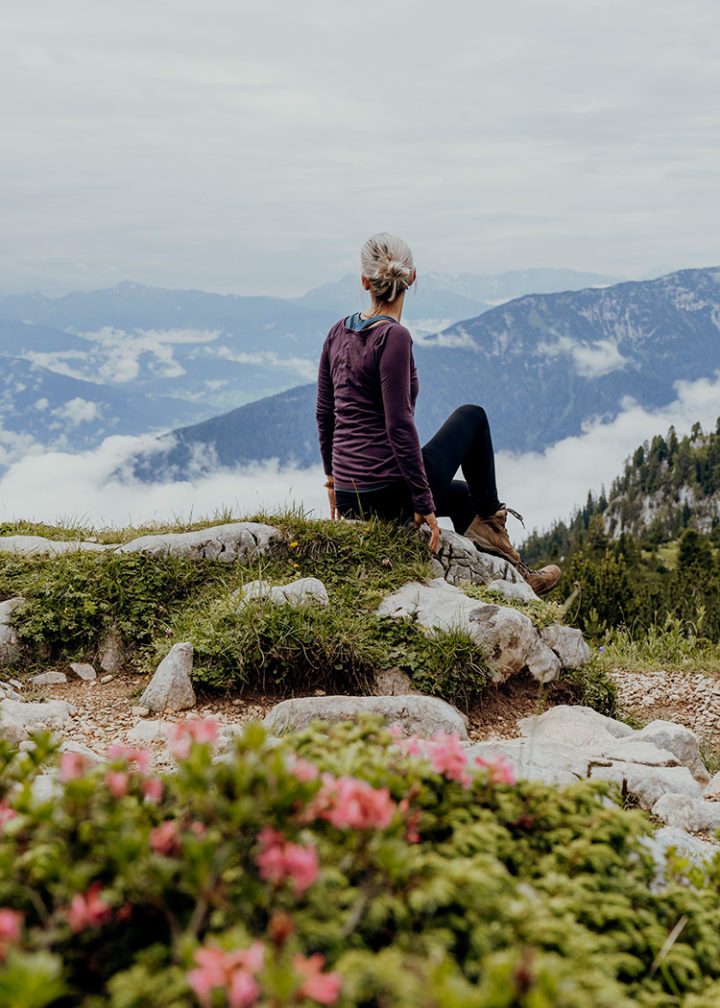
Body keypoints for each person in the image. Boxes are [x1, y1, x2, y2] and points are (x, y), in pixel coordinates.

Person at [315, 232, 561, 596]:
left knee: (465, 497)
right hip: (390, 494)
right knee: (472, 416)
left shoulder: (337, 332)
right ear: (412, 277)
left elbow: (325, 414)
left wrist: (334, 481)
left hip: (354, 497)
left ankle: (514, 578)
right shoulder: (393, 337)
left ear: (364, 281)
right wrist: (422, 499)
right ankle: (495, 522)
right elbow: (399, 425)